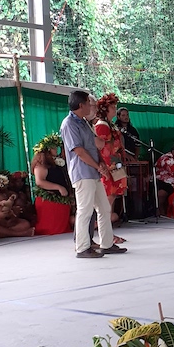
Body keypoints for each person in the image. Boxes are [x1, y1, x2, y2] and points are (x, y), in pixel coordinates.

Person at [60, 90, 126, 258]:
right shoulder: (69, 124)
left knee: (104, 208)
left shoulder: (84, 122)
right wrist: (98, 166)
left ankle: (106, 243)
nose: (91, 107)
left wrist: (102, 164)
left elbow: (93, 146)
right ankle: (82, 247)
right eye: (89, 104)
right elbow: (79, 151)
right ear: (81, 105)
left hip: (94, 172)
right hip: (82, 173)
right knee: (84, 210)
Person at [94, 93, 128, 224]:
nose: (115, 109)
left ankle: (108, 231)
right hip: (108, 165)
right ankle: (105, 231)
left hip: (115, 164)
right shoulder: (102, 125)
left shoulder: (111, 124)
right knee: (108, 196)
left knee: (112, 196)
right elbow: (99, 147)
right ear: (105, 109)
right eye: (113, 107)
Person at [32, 133, 74, 235]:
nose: (56, 150)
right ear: (48, 149)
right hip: (49, 200)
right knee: (52, 228)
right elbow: (39, 181)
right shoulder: (41, 163)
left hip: (61, 200)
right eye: (54, 148)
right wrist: (59, 187)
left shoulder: (57, 161)